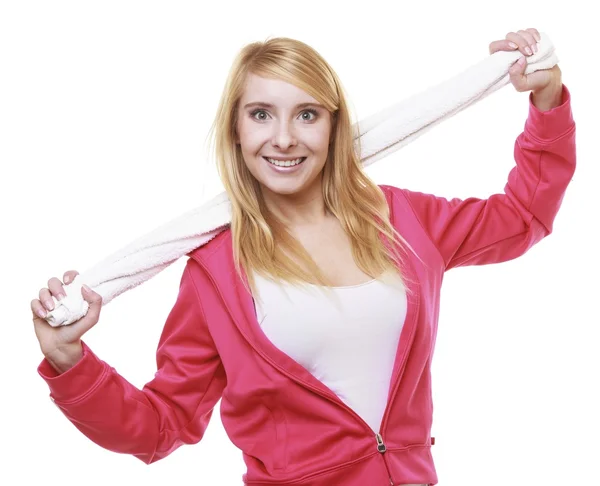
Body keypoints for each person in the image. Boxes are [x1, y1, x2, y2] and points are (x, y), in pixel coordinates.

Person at [31, 27, 575, 486]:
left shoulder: (404, 221)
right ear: (237, 131)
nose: (285, 138)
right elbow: (160, 427)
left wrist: (546, 101)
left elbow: (524, 216)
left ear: (334, 125)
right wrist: (70, 363)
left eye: (307, 115)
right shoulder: (214, 272)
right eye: (262, 114)